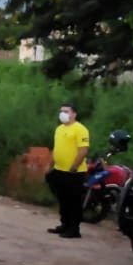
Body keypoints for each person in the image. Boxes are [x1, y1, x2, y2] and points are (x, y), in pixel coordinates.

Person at [45, 102, 90, 238]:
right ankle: (64, 224)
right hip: (59, 170)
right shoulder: (59, 129)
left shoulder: (80, 129)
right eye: (61, 111)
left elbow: (83, 149)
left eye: (66, 111)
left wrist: (75, 166)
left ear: (74, 114)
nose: (63, 114)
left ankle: (74, 229)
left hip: (74, 172)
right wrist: (50, 164)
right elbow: (56, 148)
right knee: (63, 200)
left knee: (74, 201)